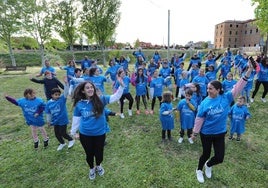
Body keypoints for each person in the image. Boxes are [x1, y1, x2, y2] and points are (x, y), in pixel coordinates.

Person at [191, 60, 254, 183]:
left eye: (211, 89)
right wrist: (195, 133)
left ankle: (208, 165)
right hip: (207, 133)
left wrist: (249, 70)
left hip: (220, 133)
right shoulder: (205, 102)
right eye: (208, 88)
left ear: (219, 90)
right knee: (206, 153)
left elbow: (239, 86)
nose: (208, 91)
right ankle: (199, 170)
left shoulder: (226, 98)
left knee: (219, 157)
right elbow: (199, 119)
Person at [70, 76, 124, 180]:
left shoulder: (101, 99)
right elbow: (76, 119)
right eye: (87, 88)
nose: (90, 89)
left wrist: (121, 86)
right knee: (89, 154)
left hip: (99, 133)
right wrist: (73, 132)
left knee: (99, 153)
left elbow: (116, 97)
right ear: (83, 90)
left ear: (94, 89)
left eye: (91, 87)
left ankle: (98, 165)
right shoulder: (79, 104)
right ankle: (91, 168)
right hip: (85, 134)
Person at [45, 85, 75, 151]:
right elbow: (48, 113)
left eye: (59, 94)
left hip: (63, 120)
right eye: (56, 95)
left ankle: (71, 140)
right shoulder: (48, 103)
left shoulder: (61, 99)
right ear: (52, 95)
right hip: (55, 121)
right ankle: (62, 143)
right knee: (57, 134)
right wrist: (49, 121)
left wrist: (66, 84)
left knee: (63, 132)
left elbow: (66, 92)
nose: (57, 96)